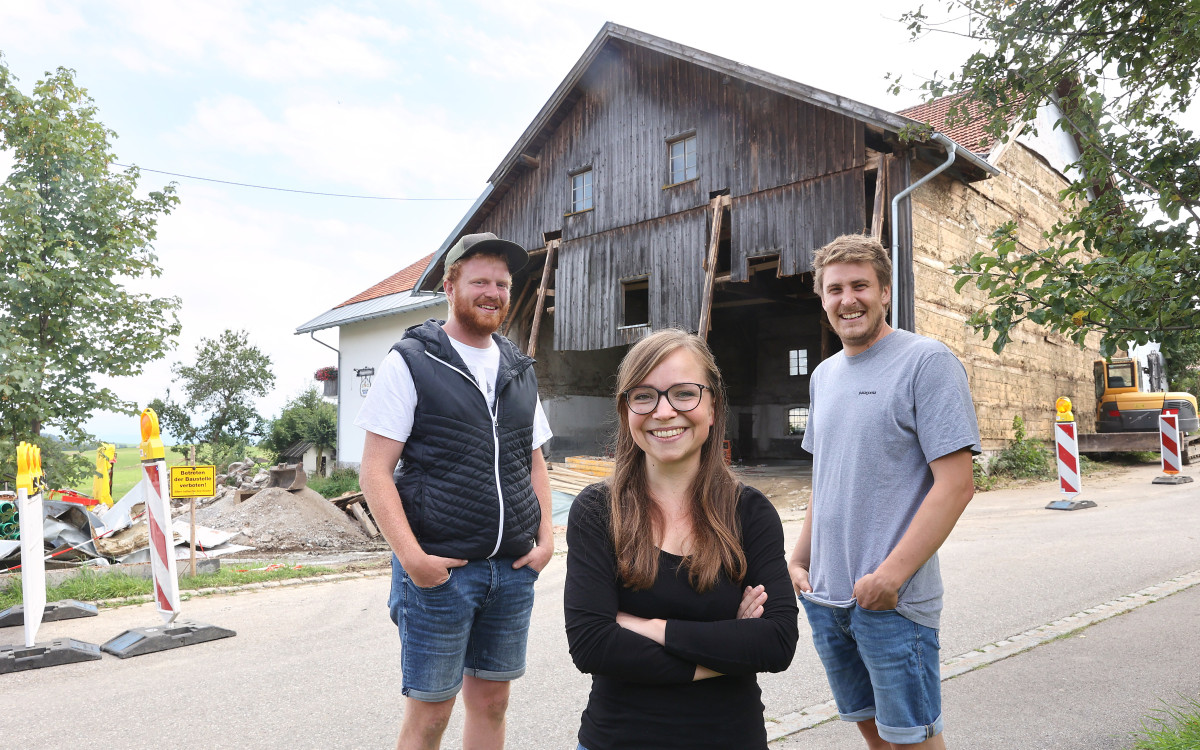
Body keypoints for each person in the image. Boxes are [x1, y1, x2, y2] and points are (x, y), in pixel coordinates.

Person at [357, 232, 554, 750]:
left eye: (503, 284)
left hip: (511, 573)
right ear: (450, 286)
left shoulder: (519, 368)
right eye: (480, 281)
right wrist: (414, 559)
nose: (493, 292)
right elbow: (375, 472)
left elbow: (534, 460)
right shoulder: (413, 361)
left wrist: (546, 539)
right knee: (430, 716)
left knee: (492, 705)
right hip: (440, 575)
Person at [564, 329, 799, 750]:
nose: (664, 411)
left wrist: (647, 627)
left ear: (712, 407)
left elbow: (776, 643)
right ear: (626, 411)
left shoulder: (750, 512)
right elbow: (592, 645)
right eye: (644, 396)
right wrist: (727, 647)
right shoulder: (597, 511)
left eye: (684, 393)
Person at [789, 234, 980, 749]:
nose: (847, 299)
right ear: (823, 298)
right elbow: (826, 478)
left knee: (914, 740)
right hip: (827, 598)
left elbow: (956, 486)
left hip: (891, 601)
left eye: (860, 286)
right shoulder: (825, 375)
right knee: (874, 736)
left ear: (886, 293)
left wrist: (888, 580)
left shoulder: (926, 362)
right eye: (834, 289)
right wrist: (799, 559)